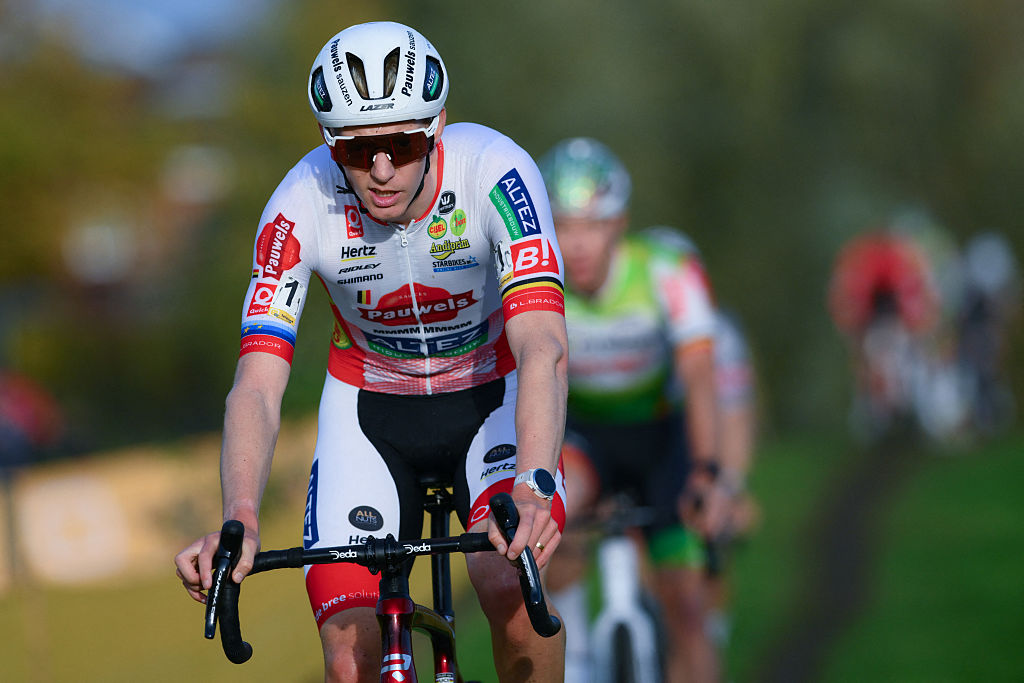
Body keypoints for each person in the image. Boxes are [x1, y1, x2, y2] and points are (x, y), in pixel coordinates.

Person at [174, 22, 569, 682]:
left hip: (491, 398)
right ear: (332, 146)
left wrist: (534, 481)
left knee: (507, 585)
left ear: (438, 125)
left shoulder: (496, 171)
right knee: (351, 658)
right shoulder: (299, 203)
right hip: (368, 415)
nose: (382, 170)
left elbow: (543, 346)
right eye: (359, 152)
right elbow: (258, 384)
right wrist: (238, 513)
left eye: (403, 143)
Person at [537, 138, 727, 683]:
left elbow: (699, 375)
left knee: (688, 607)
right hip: (584, 437)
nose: (577, 245)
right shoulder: (535, 282)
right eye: (564, 226)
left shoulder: (667, 270)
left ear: (620, 223)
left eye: (592, 225)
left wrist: (710, 471)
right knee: (554, 518)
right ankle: (572, 661)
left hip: (661, 440)